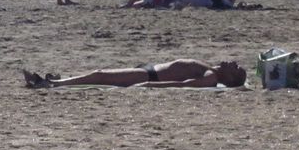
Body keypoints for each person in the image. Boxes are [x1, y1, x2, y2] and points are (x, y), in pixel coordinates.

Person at [23, 59, 248, 89]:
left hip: (148, 77)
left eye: (236, 68)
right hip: (148, 72)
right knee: (101, 74)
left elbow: (184, 85)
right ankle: (58, 82)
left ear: (230, 78)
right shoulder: (210, 69)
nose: (234, 63)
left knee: (101, 74)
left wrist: (149, 86)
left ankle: (53, 84)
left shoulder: (211, 77)